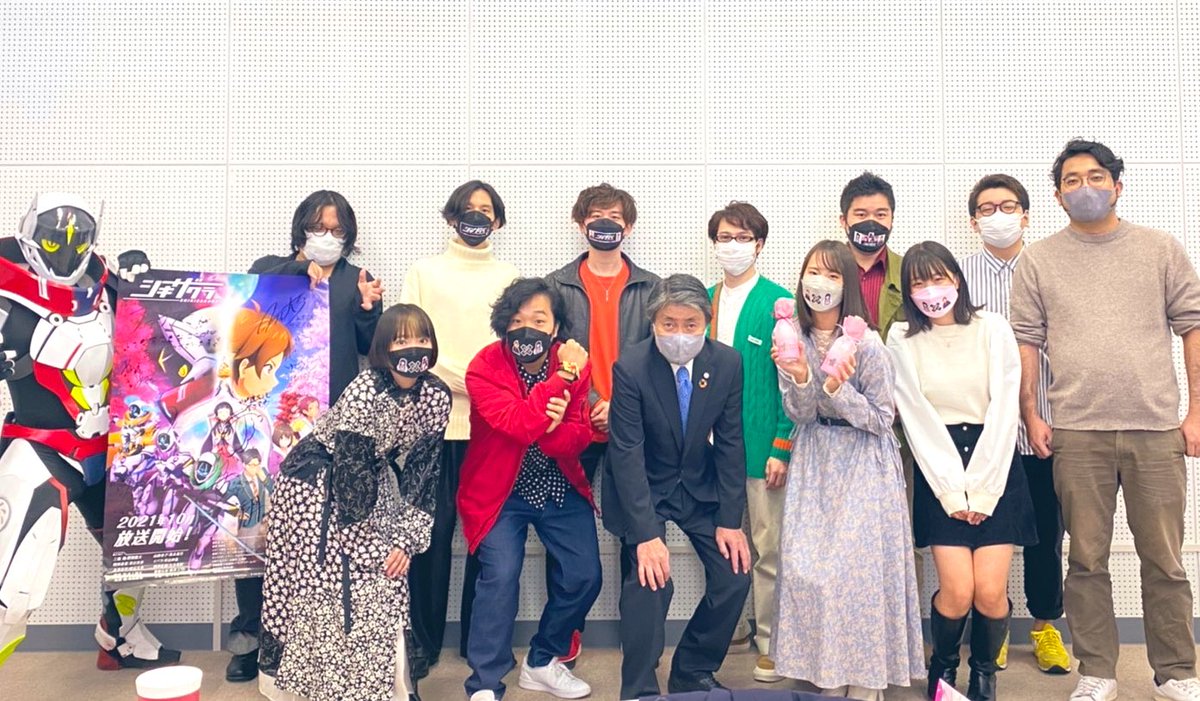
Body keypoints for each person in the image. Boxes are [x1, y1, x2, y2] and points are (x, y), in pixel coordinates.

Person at [1011, 140, 1200, 701]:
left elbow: (1192, 326)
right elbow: (1027, 341)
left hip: (1155, 429)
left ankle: (1176, 672)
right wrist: (1030, 412)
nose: (1085, 187)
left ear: (1118, 186)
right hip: (1076, 431)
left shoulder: (1159, 249)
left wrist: (1196, 411)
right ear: (1058, 196)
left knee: (1164, 560)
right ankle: (1097, 671)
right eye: (1072, 180)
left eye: (1096, 177)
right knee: (1086, 559)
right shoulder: (1039, 260)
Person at [0, 192, 179, 670]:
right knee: (16, 585)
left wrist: (145, 285)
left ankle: (119, 636)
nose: (66, 251)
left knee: (140, 549)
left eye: (77, 241)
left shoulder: (105, 287)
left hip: (112, 449)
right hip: (44, 449)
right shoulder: (7, 293)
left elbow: (156, 341)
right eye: (54, 241)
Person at [225, 190, 384, 683]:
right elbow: (247, 301)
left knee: (318, 539)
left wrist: (368, 310)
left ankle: (309, 640)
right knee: (259, 530)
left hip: (330, 431)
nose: (327, 237)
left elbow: (371, 348)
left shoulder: (354, 278)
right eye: (319, 227)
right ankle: (250, 640)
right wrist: (298, 271)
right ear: (302, 229)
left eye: (338, 230)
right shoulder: (271, 268)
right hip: (268, 423)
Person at [258, 304, 450, 701]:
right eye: (401, 340)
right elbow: (349, 477)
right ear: (383, 348)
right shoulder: (365, 392)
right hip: (314, 481)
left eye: (422, 338)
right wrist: (372, 546)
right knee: (324, 582)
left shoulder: (436, 395)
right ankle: (325, 687)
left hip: (370, 477)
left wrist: (406, 541)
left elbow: (424, 471)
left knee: (387, 581)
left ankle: (392, 687)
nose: (414, 348)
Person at [772, 241, 924, 700]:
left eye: (833, 275)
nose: (820, 283)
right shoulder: (791, 337)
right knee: (807, 570)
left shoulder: (868, 343)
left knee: (856, 576)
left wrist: (840, 390)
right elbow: (799, 413)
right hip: (815, 461)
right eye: (813, 272)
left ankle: (865, 677)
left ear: (848, 285)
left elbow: (881, 418)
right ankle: (827, 670)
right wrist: (802, 377)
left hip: (863, 464)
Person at [887, 242, 1036, 701]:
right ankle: (944, 667)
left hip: (995, 460)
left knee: (989, 592)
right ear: (908, 292)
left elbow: (1005, 407)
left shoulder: (993, 327)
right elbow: (917, 418)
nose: (931, 291)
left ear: (957, 279)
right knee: (956, 592)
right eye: (919, 283)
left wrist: (984, 489)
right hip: (938, 466)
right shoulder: (901, 337)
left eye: (939, 278)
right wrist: (953, 491)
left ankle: (985, 673)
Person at [604, 274, 752, 700]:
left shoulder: (727, 363)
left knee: (734, 575)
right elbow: (627, 454)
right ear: (654, 322)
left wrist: (731, 520)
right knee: (649, 580)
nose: (680, 334)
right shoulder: (631, 367)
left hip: (698, 486)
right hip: (645, 488)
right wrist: (646, 535)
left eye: (691, 324)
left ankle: (692, 670)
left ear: (706, 322)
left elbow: (730, 444)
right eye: (669, 323)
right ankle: (639, 687)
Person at [458, 278, 601, 701]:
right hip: (500, 490)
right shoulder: (484, 366)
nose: (528, 330)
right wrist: (562, 379)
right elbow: (518, 425)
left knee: (584, 575)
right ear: (504, 325)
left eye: (539, 320)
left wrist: (553, 428)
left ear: (555, 327)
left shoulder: (575, 361)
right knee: (500, 575)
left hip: (558, 483)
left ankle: (542, 660)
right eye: (518, 320)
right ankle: (485, 682)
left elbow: (580, 434)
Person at [534, 182, 659, 664]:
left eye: (614, 218)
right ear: (580, 223)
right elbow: (547, 355)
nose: (604, 225)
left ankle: (638, 633)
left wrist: (619, 405)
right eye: (595, 217)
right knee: (564, 532)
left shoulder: (651, 288)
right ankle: (565, 633)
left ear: (629, 227)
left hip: (631, 425)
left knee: (637, 529)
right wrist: (589, 403)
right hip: (573, 423)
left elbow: (657, 358)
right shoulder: (555, 286)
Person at [400, 180, 519, 676]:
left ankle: (479, 641)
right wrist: (466, 380)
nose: (477, 217)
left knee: (484, 537)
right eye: (468, 209)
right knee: (430, 536)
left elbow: (517, 346)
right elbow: (409, 339)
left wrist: (483, 387)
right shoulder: (424, 272)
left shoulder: (509, 277)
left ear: (498, 221)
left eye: (486, 210)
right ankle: (422, 643)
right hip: (432, 424)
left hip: (490, 427)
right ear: (452, 217)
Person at [959, 174, 1070, 675]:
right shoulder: (959, 277)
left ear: (1026, 215)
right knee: (991, 534)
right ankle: (995, 629)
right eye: (987, 208)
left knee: (1046, 535)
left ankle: (1045, 627)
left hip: (1046, 425)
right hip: (986, 433)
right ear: (973, 221)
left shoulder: (1052, 266)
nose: (998, 216)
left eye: (1008, 206)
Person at [703, 202, 793, 682]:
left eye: (742, 237)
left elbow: (790, 385)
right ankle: (730, 630)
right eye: (724, 237)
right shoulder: (703, 301)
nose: (732, 246)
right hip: (710, 450)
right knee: (720, 544)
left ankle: (771, 643)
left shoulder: (779, 303)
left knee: (768, 548)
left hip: (761, 449)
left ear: (759, 244)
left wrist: (782, 445)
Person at [840, 172, 904, 341]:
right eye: (861, 214)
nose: (871, 222)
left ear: (892, 220)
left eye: (880, 215)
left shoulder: (909, 272)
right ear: (843, 221)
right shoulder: (824, 270)